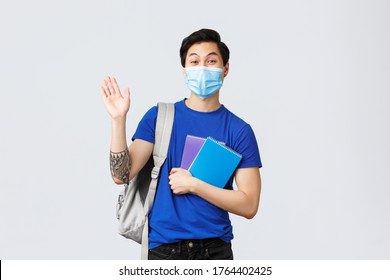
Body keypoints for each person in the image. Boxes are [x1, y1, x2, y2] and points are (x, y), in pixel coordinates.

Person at [100, 28, 262, 260]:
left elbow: (249, 205)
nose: (202, 68)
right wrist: (118, 120)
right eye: (194, 61)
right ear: (185, 71)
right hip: (164, 249)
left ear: (225, 69)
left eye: (211, 61)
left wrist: (194, 185)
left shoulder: (239, 130)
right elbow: (121, 175)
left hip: (214, 250)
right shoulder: (159, 117)